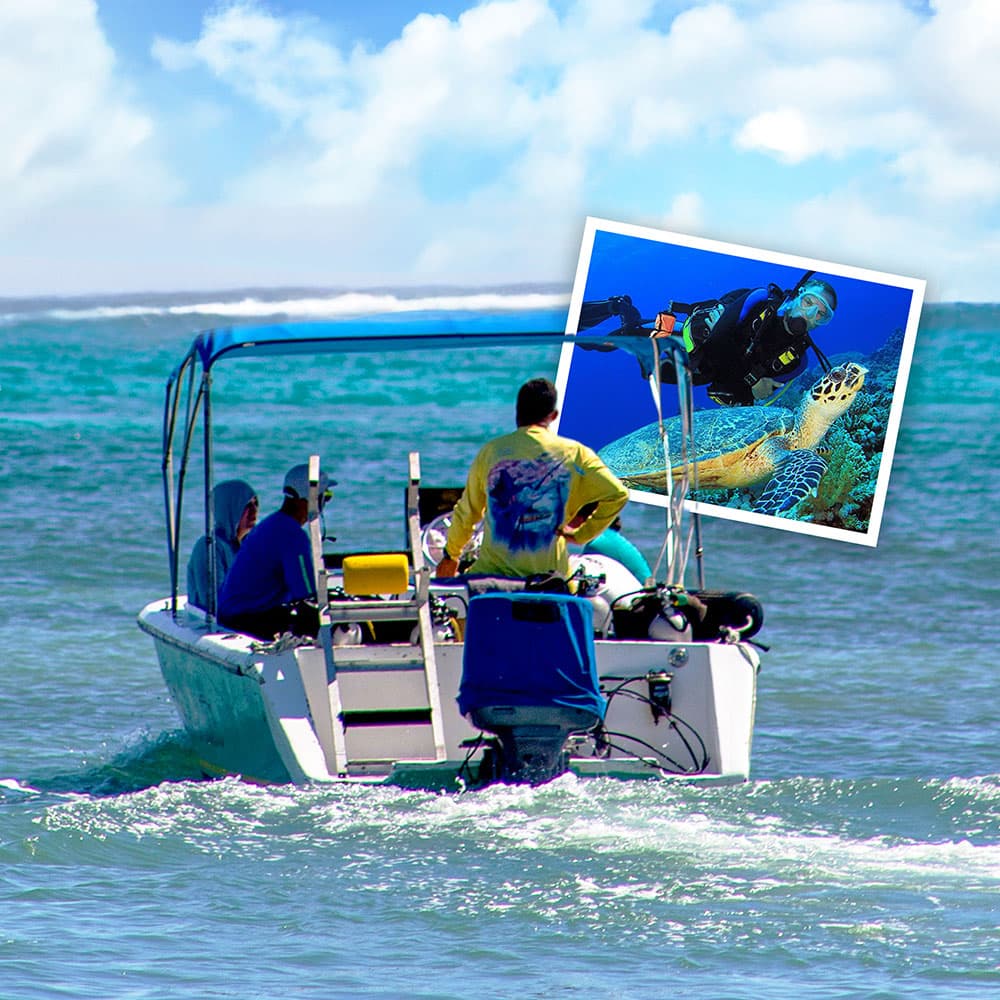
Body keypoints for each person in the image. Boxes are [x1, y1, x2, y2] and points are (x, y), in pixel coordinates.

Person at [435, 378, 628, 581]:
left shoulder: (492, 452)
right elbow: (618, 494)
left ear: (517, 412)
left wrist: (451, 555)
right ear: (553, 416)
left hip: (492, 577)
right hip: (550, 579)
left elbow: (468, 512)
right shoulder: (575, 453)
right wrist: (582, 535)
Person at [664, 277, 838, 406]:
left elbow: (750, 396)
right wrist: (753, 381)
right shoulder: (759, 300)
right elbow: (715, 342)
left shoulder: (797, 362)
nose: (809, 314)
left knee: (657, 372)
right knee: (639, 334)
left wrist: (750, 388)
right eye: (808, 302)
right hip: (690, 349)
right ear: (796, 296)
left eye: (821, 314)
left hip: (703, 375)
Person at [217, 464, 334, 640]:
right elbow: (306, 594)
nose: (325, 502)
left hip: (231, 615)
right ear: (309, 498)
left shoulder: (272, 524)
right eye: (326, 497)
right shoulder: (292, 535)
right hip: (246, 619)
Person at [186, 479, 258, 612]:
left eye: (256, 503)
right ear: (229, 507)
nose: (254, 511)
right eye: (247, 505)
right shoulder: (209, 547)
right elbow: (214, 602)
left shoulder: (248, 546)